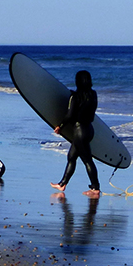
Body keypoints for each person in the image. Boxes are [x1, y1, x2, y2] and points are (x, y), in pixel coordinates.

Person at [51, 70, 101, 198]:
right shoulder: (93, 94)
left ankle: (95, 188)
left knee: (87, 161)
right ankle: (62, 184)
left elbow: (70, 115)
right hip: (89, 129)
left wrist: (60, 126)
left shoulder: (75, 97)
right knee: (71, 157)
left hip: (79, 131)